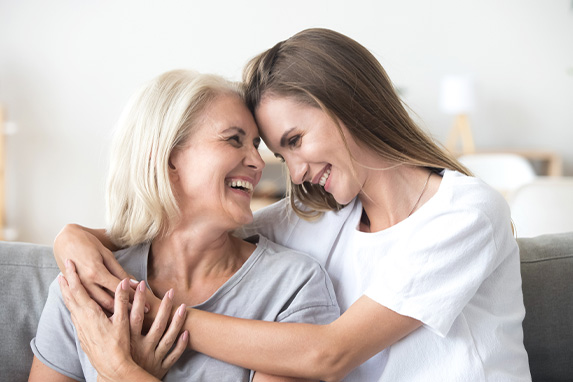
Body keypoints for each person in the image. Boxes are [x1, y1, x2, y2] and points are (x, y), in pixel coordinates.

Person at [52, 28, 532, 381]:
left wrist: (153, 320)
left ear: (348, 103)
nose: (293, 171)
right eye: (282, 153)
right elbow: (191, 224)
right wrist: (76, 236)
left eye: (296, 139)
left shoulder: (465, 211)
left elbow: (329, 355)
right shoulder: (322, 218)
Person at [29, 69, 340, 382]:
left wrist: (121, 373)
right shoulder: (86, 286)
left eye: (257, 145)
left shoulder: (291, 287)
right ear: (168, 160)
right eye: (234, 140)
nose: (258, 163)